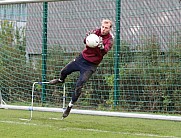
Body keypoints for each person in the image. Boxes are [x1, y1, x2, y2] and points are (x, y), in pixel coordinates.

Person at [49, 19, 114, 119]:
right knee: (64, 71)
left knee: (79, 84)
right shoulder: (95, 32)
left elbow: (104, 51)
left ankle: (70, 106)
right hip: (81, 59)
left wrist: (101, 47)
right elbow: (85, 41)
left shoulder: (109, 39)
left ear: (110, 29)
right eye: (103, 27)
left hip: (91, 65)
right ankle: (61, 80)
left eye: (106, 28)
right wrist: (88, 37)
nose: (103, 29)